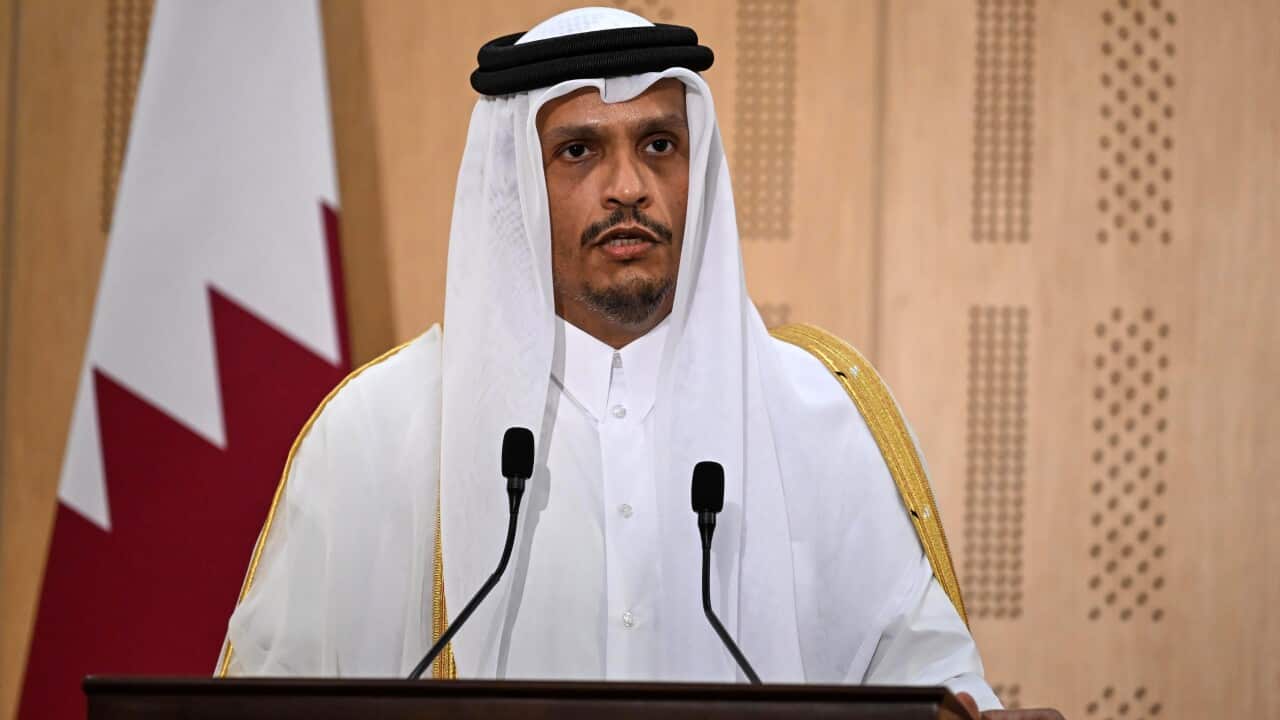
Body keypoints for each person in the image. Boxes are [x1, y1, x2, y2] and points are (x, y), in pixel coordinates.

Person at [219, 8, 1062, 719]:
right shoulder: (378, 433)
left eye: (659, 144)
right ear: (516, 185)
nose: (628, 186)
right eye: (579, 152)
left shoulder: (825, 420)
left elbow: (932, 684)